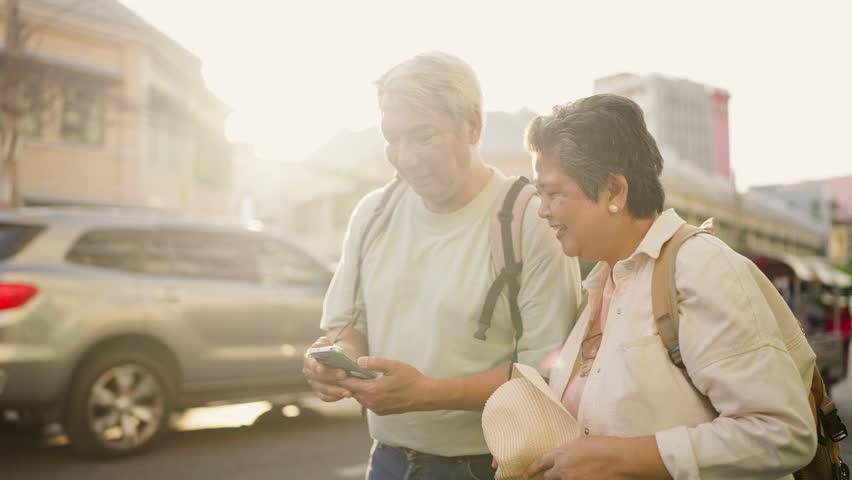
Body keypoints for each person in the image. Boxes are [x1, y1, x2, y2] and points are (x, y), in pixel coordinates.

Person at [302, 52, 582, 480]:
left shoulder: (532, 219)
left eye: (422, 136)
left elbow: (548, 372)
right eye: (391, 137)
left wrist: (428, 394)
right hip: (387, 460)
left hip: (488, 465)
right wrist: (332, 361)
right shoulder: (373, 213)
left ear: (473, 125)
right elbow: (346, 326)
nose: (404, 157)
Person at [521, 94, 816, 479]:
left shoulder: (699, 268)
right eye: (539, 193)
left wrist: (618, 458)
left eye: (555, 193)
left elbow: (783, 433)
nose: (542, 209)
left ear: (615, 191)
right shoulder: (602, 285)